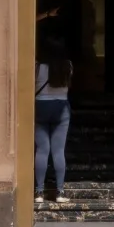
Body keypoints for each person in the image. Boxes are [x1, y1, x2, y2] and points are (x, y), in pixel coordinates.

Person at [35, 37, 73, 209]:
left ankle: (39, 193)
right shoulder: (68, 66)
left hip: (40, 106)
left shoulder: (37, 67)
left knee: (42, 150)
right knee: (58, 151)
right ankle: (59, 192)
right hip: (61, 106)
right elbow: (68, 86)